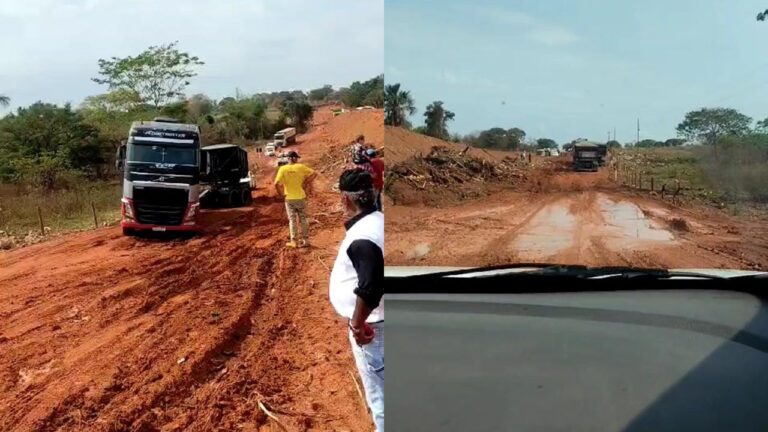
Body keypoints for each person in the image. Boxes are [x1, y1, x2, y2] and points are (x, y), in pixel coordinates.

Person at [329, 169, 384, 432]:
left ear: (345, 200)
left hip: (374, 329)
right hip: (380, 322)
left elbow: (371, 287)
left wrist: (357, 324)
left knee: (381, 397)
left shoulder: (363, 237)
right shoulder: (378, 222)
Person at [273, 151, 316, 248]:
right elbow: (314, 173)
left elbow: (276, 184)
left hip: (289, 198)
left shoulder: (283, 169)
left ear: (288, 158)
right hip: (301, 197)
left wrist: (281, 194)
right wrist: (306, 182)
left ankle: (294, 242)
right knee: (303, 219)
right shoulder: (301, 167)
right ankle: (305, 240)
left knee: (292, 220)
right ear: (295, 158)